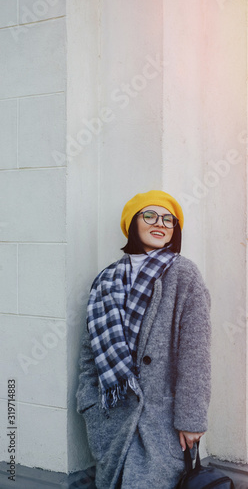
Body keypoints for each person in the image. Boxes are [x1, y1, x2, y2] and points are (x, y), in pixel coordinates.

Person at [76, 190, 211, 489]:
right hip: (112, 418)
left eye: (168, 219)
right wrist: (88, 403)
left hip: (161, 420)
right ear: (132, 223)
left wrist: (191, 419)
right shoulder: (106, 278)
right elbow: (90, 352)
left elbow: (196, 353)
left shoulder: (184, 275)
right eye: (149, 215)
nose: (159, 223)